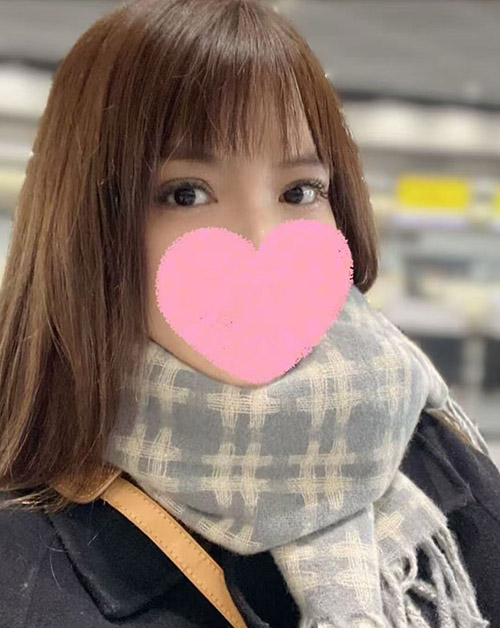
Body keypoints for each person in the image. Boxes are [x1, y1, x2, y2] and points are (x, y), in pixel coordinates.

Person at [0, 1, 499, 627]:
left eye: (299, 191)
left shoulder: (421, 435)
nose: (262, 242)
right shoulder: (26, 567)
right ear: (85, 226)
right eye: (186, 194)